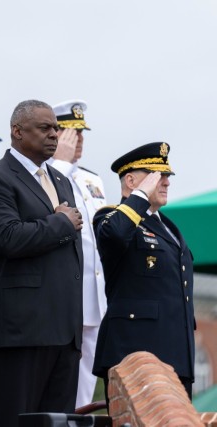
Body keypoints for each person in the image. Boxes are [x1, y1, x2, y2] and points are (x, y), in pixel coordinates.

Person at [0, 100, 84, 427]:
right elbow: (7, 237)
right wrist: (62, 223)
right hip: (20, 331)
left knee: (58, 422)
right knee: (16, 421)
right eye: (45, 128)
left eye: (56, 128)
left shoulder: (61, 181)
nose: (54, 134)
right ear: (17, 132)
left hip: (63, 330)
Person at [92, 142, 195, 400]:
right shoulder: (111, 218)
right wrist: (139, 196)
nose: (166, 182)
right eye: (156, 175)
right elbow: (115, 234)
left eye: (167, 176)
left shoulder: (168, 227)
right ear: (130, 180)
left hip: (175, 356)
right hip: (135, 355)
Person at [50, 99, 107, 408]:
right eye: (72, 132)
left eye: (81, 132)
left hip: (94, 296)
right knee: (60, 382)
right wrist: (59, 162)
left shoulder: (91, 179)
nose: (79, 139)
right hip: (63, 298)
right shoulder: (45, 174)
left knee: (86, 387)